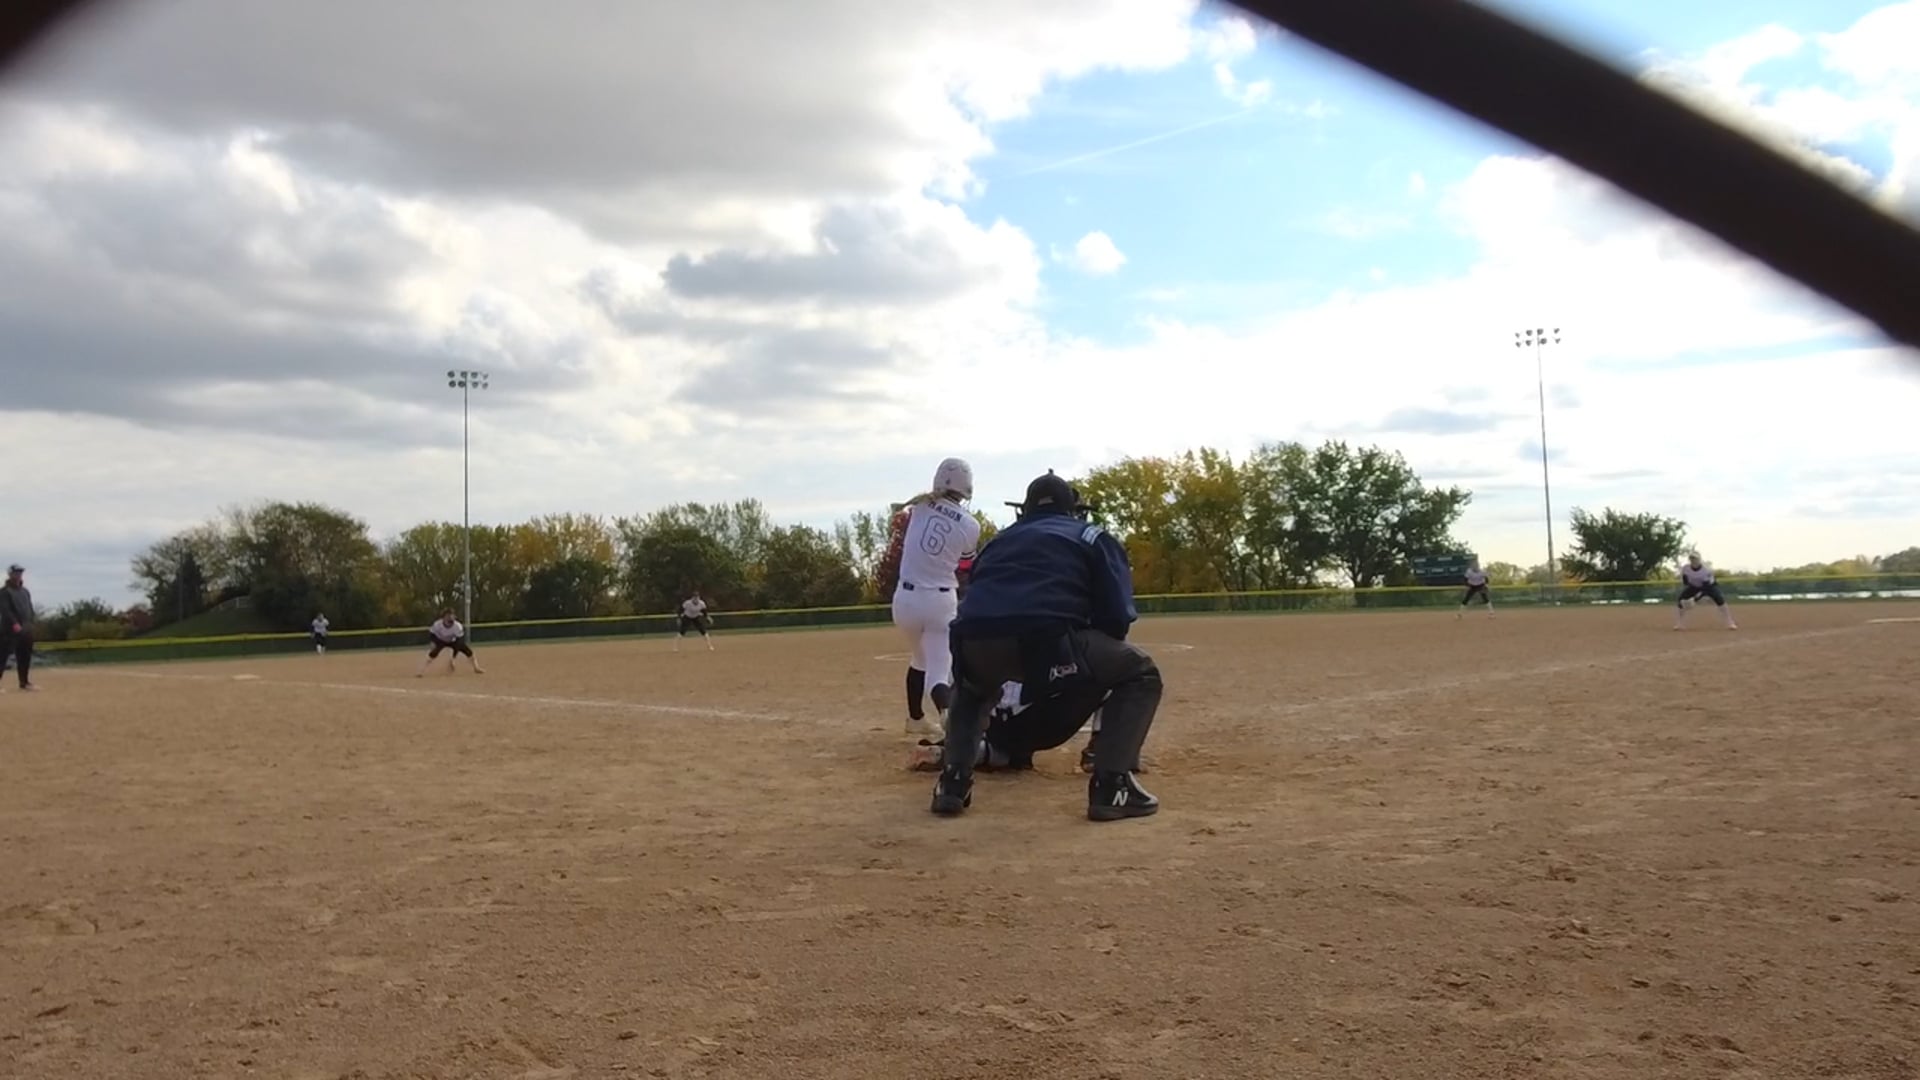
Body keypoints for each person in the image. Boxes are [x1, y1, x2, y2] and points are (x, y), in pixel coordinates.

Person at [928, 471, 1161, 821]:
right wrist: (1085, 666)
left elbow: (974, 595)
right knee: (1140, 672)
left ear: (1025, 510)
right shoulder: (1090, 535)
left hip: (974, 639)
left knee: (971, 687)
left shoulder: (997, 542)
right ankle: (1112, 786)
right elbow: (1117, 617)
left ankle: (952, 783)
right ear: (1071, 509)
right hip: (1046, 639)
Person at [889, 457, 981, 737]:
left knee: (920, 659)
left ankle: (915, 719)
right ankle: (950, 716)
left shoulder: (919, 507)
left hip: (904, 602)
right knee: (939, 672)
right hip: (939, 602)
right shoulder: (970, 524)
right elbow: (966, 564)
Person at [1674, 552, 1737, 631]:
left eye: (1695, 559)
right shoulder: (1686, 568)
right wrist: (1687, 597)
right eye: (1691, 559)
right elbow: (1685, 582)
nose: (1693, 561)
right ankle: (1679, 624)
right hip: (1693, 586)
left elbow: (1706, 587)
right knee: (1681, 600)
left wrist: (1695, 599)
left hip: (1709, 586)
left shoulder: (1706, 569)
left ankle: (1730, 622)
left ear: (1699, 560)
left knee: (1719, 599)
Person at [416, 608, 485, 675]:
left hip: (453, 640)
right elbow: (432, 634)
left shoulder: (457, 626)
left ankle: (476, 668)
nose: (450, 618)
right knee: (434, 652)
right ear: (443, 617)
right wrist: (433, 642)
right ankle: (421, 670)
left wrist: (453, 658)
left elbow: (459, 642)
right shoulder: (437, 624)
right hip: (440, 640)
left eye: (452, 616)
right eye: (448, 616)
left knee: (468, 651)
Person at [0, 564, 37, 691]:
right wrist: (14, 623)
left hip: (25, 628)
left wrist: (31, 623)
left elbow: (29, 608)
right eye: (16, 572)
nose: (18, 575)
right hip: (8, 629)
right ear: (10, 574)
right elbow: (5, 610)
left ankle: (24, 682)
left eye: (20, 572)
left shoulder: (25, 591)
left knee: (25, 656)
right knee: (2, 656)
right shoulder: (4, 592)